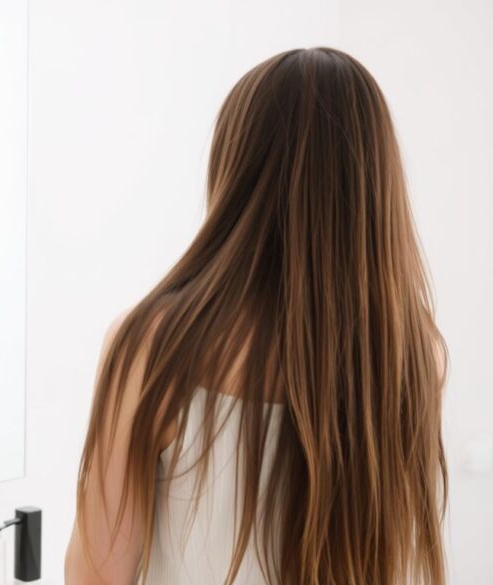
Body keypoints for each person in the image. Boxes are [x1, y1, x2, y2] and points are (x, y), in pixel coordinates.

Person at [65, 48, 449, 584]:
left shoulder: (153, 344)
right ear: (372, 186)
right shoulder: (413, 353)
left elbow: (98, 575)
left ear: (238, 173)